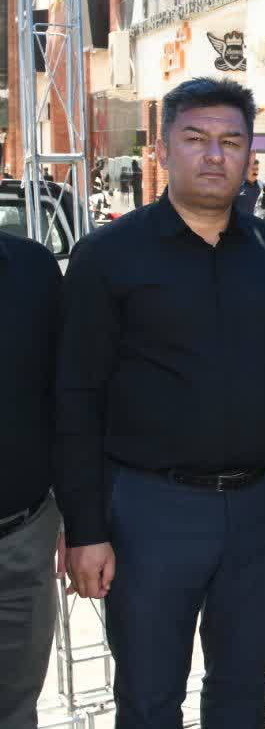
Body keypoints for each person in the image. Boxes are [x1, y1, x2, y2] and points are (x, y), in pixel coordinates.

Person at [55, 77, 265, 728]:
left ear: (249, 156)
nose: (213, 154)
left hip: (262, 509)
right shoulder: (108, 256)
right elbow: (76, 395)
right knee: (149, 699)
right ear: (162, 150)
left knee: (243, 692)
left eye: (231, 141)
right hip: (150, 511)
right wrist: (85, 527)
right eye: (195, 138)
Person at [0, 230, 61, 728]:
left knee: (16, 711)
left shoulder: (32, 269)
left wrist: (73, 514)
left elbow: (66, 395)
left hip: (21, 541)